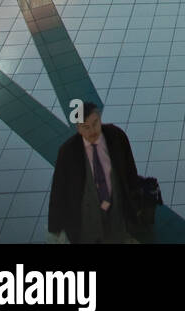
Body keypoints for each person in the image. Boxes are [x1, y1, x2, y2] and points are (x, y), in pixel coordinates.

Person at [48, 102, 142, 245]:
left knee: (117, 236)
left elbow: (129, 169)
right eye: (86, 127)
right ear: (78, 128)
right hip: (87, 219)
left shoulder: (115, 136)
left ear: (100, 119)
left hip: (115, 214)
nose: (92, 131)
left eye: (95, 123)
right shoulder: (68, 152)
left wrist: (135, 200)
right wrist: (55, 226)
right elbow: (58, 189)